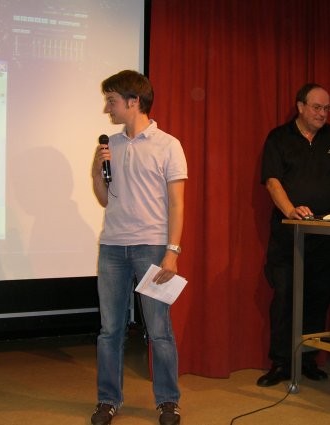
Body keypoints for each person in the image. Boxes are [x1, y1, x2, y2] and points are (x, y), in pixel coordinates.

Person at [90, 70, 187, 425]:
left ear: (134, 102)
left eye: (112, 101)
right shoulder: (111, 146)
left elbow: (177, 203)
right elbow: (104, 199)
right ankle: (108, 400)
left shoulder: (168, 145)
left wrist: (172, 252)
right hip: (112, 248)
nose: (107, 108)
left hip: (152, 247)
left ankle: (168, 401)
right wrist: (96, 171)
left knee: (159, 330)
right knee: (110, 331)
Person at [258, 83, 330, 387]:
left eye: (327, 108)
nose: (323, 113)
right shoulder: (279, 138)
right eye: (317, 107)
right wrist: (290, 211)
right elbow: (272, 182)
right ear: (300, 107)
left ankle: (309, 359)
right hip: (289, 235)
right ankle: (281, 363)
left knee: (318, 298)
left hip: (326, 234)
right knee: (285, 298)